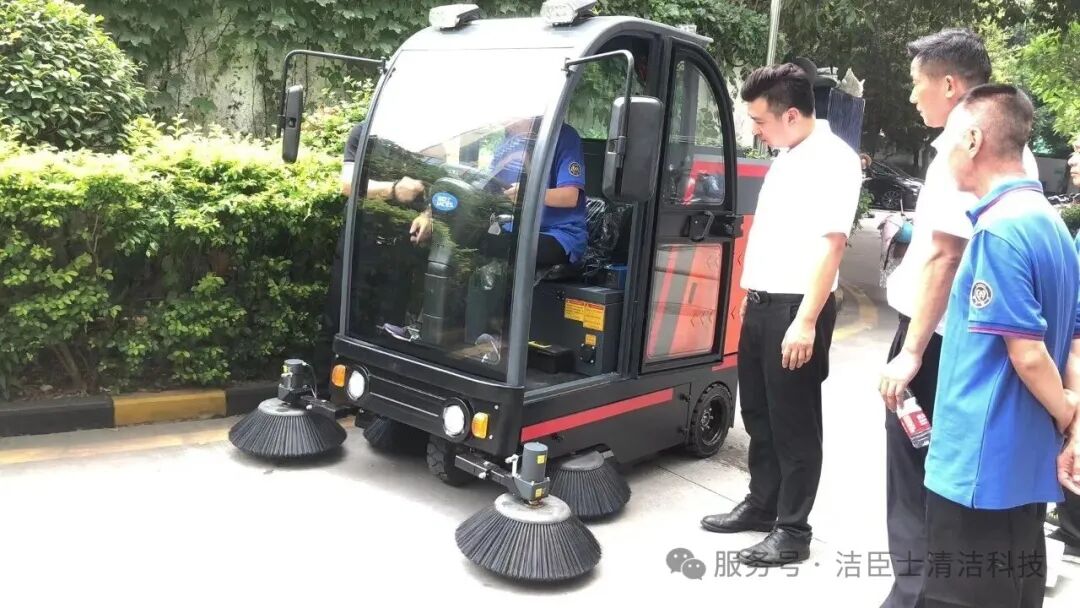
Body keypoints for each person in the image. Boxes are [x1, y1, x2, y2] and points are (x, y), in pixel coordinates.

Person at [876, 29, 1040, 608]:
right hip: (969, 337)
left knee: (917, 473)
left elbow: (946, 255)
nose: (912, 96)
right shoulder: (1012, 150)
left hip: (939, 341)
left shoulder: (962, 147)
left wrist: (910, 352)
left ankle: (914, 595)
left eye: (917, 84)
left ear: (949, 85)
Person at [920, 84, 1078, 608]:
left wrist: (1067, 412)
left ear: (972, 139)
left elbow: (1027, 353)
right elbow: (1071, 340)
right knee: (1015, 591)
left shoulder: (999, 232)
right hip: (1024, 462)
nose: (943, 153)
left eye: (947, 141)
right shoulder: (1051, 224)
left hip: (979, 464)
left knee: (959, 593)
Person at [700, 63, 861, 567]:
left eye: (759, 120)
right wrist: (751, 293)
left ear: (791, 115)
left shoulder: (834, 160)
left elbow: (832, 247)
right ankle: (762, 504)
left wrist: (806, 321)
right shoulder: (789, 156)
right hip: (765, 302)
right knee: (760, 415)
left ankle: (793, 530)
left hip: (797, 308)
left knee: (794, 423)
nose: (755, 130)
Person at [409, 120, 588, 268]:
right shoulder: (509, 142)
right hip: (511, 227)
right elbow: (485, 186)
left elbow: (570, 197)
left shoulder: (563, 137)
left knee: (483, 243)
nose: (506, 124)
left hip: (557, 234)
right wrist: (431, 216)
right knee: (446, 237)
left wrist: (527, 194)